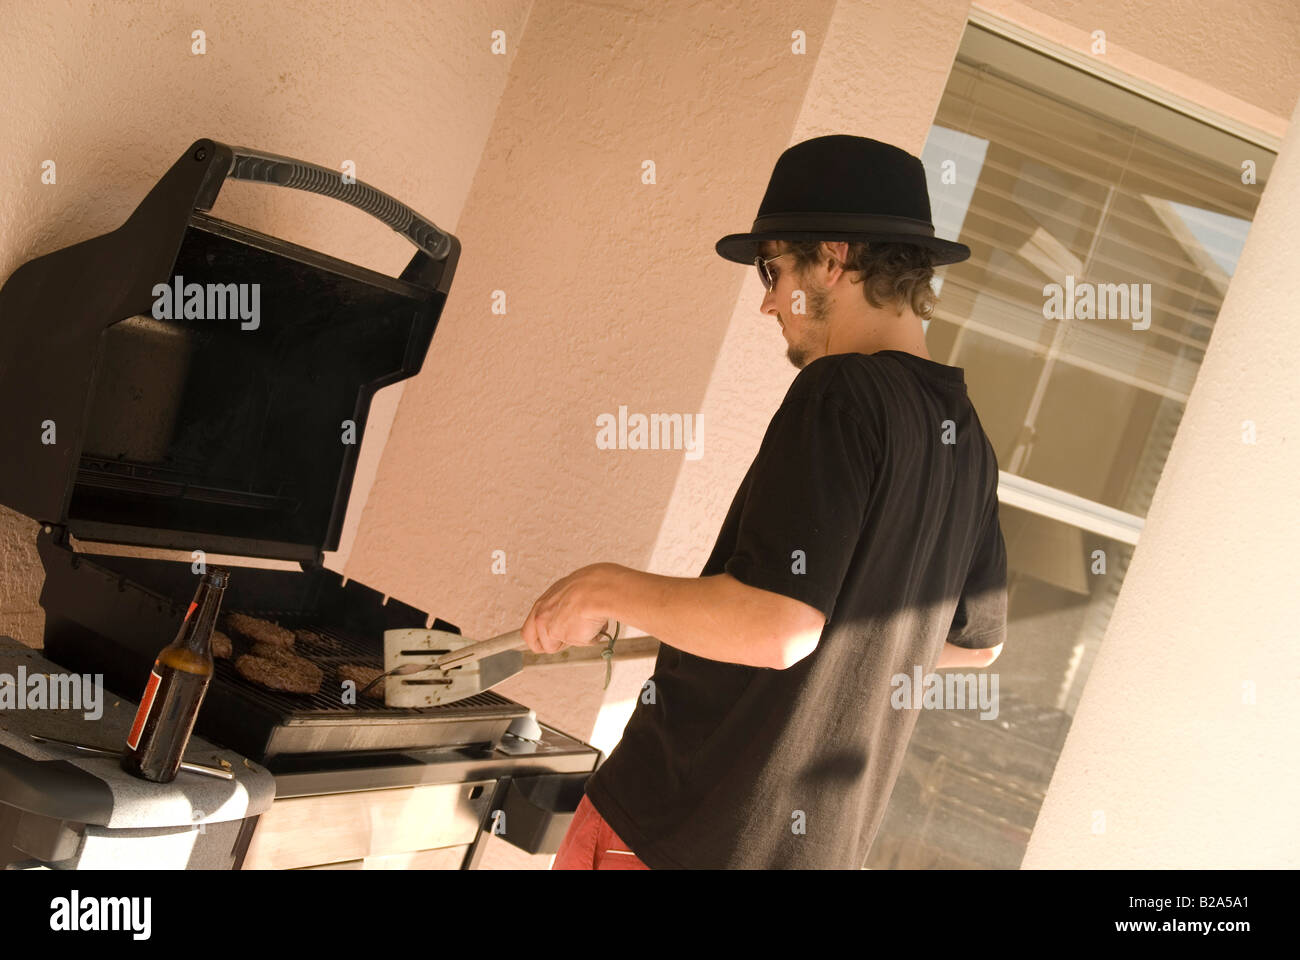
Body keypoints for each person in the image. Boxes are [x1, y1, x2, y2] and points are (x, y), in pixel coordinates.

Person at [525, 135, 1008, 869]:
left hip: (671, 835)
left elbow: (779, 629)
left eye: (773, 268)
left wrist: (604, 586)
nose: (767, 301)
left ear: (835, 259)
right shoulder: (964, 439)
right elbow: (976, 643)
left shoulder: (841, 391)